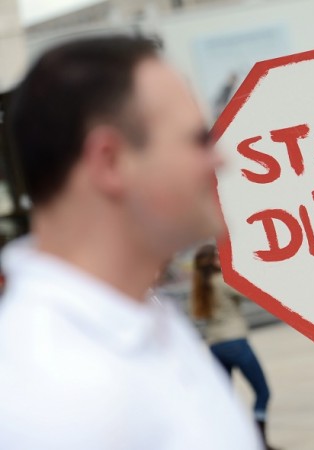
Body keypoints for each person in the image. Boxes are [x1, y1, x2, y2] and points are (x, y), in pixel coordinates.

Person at [0, 36, 263, 449]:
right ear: (109, 161)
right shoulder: (44, 394)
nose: (221, 160)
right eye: (197, 140)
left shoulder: (144, 323)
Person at [191, 244, 276, 450]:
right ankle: (258, 441)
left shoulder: (201, 287)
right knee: (263, 392)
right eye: (220, 257)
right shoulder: (222, 282)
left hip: (215, 345)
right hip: (235, 342)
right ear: (212, 261)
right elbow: (252, 292)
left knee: (224, 399)